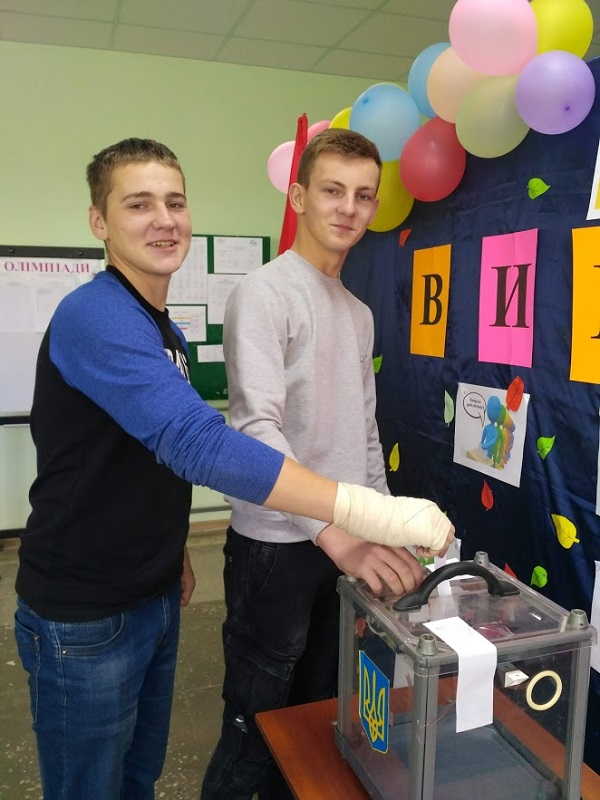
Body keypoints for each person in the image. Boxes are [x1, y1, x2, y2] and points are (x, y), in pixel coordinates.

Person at [14, 137, 453, 800]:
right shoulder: (96, 315)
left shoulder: (162, 328)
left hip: (152, 591)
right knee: (105, 782)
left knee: (141, 774)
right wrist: (364, 516)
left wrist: (174, 552)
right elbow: (199, 442)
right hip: (87, 611)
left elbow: (147, 457)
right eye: (139, 204)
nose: (164, 219)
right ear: (99, 221)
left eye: (175, 202)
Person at [201, 128, 449, 800]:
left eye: (363, 195)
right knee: (255, 728)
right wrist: (334, 532)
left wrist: (388, 524)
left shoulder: (358, 312)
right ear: (299, 196)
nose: (348, 207)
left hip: (343, 546)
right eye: (333, 190)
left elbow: (363, 432)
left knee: (320, 719)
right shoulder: (264, 292)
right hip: (277, 549)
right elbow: (256, 430)